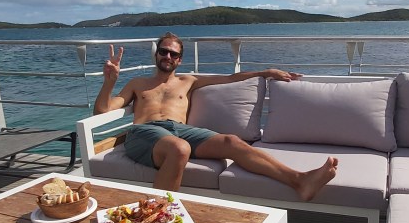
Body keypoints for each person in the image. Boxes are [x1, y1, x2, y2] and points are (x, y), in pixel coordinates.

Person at [94, 33, 337, 200]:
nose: (168, 57)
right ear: (156, 54)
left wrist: (266, 72)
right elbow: (102, 111)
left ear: (179, 60)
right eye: (164, 51)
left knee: (231, 141)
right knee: (179, 148)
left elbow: (230, 78)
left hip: (179, 131)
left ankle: (300, 181)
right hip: (144, 133)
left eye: (173, 54)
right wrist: (109, 82)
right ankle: (157, 214)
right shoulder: (138, 83)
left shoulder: (188, 81)